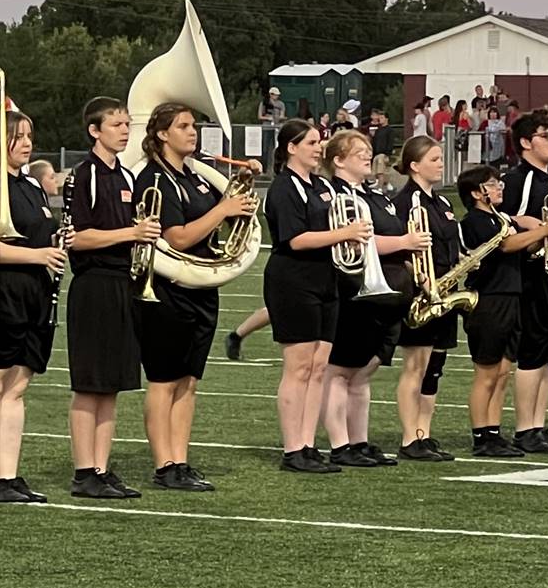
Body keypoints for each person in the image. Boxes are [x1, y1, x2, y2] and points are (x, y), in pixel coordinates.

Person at [133, 102, 253, 490]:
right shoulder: (154, 179)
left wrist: (240, 201)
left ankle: (181, 460)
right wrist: (224, 209)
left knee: (189, 380)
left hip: (202, 285)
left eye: (193, 126)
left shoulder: (198, 177)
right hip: (168, 288)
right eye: (183, 126)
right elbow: (178, 236)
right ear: (162, 134)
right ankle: (163, 463)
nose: (192, 132)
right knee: (164, 380)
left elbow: (221, 222)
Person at [0, 108, 63, 503]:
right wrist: (37, 257)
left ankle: (9, 475)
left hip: (32, 294)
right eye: (16, 136)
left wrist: (54, 249)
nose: (26, 143)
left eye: (28, 136)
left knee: (17, 386)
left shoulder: (32, 186)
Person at [65, 96, 157, 497]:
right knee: (90, 384)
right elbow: (77, 237)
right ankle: (84, 470)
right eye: (116, 124)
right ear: (94, 131)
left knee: (112, 385)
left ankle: (101, 468)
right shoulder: (84, 175)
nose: (123, 131)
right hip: (94, 284)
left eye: (126, 125)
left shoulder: (127, 177)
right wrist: (131, 234)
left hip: (122, 282)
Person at [263, 118, 363, 472]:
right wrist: (343, 233)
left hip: (324, 278)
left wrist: (347, 235)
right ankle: (292, 448)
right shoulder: (283, 188)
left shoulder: (321, 184)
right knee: (299, 367)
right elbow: (296, 239)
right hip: (293, 279)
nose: (318, 148)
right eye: (311, 143)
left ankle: (307, 444)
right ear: (291, 148)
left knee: (318, 367)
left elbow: (328, 228)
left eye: (319, 142)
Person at [320, 131, 424, 467]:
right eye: (359, 152)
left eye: (367, 150)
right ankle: (340, 444)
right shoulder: (335, 194)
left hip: (387, 293)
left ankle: (359, 440)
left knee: (362, 373)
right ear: (338, 160)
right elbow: (357, 241)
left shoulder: (375, 195)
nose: (368, 156)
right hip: (353, 291)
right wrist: (405, 242)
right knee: (338, 371)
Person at [499, 110, 548, 455]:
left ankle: (539, 425)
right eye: (546, 135)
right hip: (531, 273)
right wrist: (525, 221)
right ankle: (523, 428)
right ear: (527, 143)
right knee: (532, 352)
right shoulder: (518, 179)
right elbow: (500, 219)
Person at [457, 164, 541, 457]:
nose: (499, 188)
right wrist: (539, 230)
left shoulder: (501, 218)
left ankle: (494, 431)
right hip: (489, 299)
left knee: (504, 370)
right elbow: (506, 245)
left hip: (511, 296)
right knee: (487, 371)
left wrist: (543, 235)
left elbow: (522, 248)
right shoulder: (475, 220)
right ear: (477, 192)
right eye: (492, 184)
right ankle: (482, 436)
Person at [392, 135, 460, 460]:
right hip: (421, 293)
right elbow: (403, 248)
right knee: (415, 365)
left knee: (435, 366)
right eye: (434, 159)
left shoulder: (442, 203)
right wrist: (422, 281)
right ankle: (409, 438)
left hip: (445, 290)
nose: (440, 164)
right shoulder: (406, 201)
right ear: (414, 165)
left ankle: (425, 433)